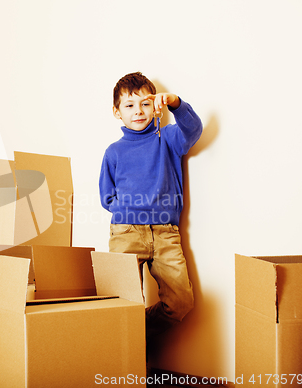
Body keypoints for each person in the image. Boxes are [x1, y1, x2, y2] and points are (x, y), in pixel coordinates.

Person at [99, 71, 202, 344]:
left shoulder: (167, 138)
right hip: (126, 232)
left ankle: (137, 331)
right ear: (117, 112)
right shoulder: (113, 152)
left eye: (145, 103)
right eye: (129, 106)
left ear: (155, 105)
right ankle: (128, 358)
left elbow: (193, 130)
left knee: (181, 302)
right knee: (121, 301)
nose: (138, 111)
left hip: (166, 233)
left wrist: (175, 102)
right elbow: (106, 197)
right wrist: (129, 211)